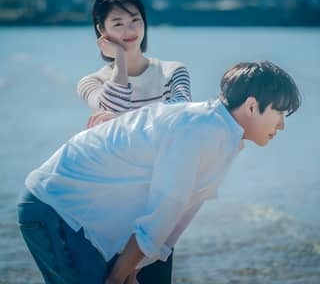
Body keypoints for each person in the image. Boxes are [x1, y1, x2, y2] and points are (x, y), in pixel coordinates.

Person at [17, 61, 301, 284]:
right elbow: (165, 210)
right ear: (252, 106)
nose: (282, 126)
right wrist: (118, 276)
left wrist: (131, 269)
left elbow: (177, 218)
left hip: (82, 215)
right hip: (55, 205)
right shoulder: (198, 129)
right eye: (279, 114)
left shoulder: (226, 137)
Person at [77, 0, 191, 128]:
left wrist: (125, 119)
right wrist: (120, 57)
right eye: (118, 24)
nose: (130, 30)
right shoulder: (92, 83)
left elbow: (183, 112)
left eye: (135, 20)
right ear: (101, 30)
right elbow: (114, 109)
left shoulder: (173, 71)